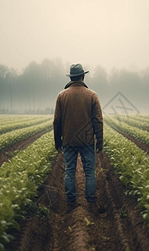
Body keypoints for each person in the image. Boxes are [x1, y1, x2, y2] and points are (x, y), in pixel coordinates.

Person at [53, 63, 104, 213]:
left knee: (69, 171)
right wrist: (99, 141)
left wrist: (58, 141)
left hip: (68, 140)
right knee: (89, 172)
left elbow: (57, 121)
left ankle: (70, 202)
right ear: (82, 77)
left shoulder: (62, 96)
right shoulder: (92, 95)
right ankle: (91, 202)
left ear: (71, 77)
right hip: (87, 140)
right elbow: (98, 120)